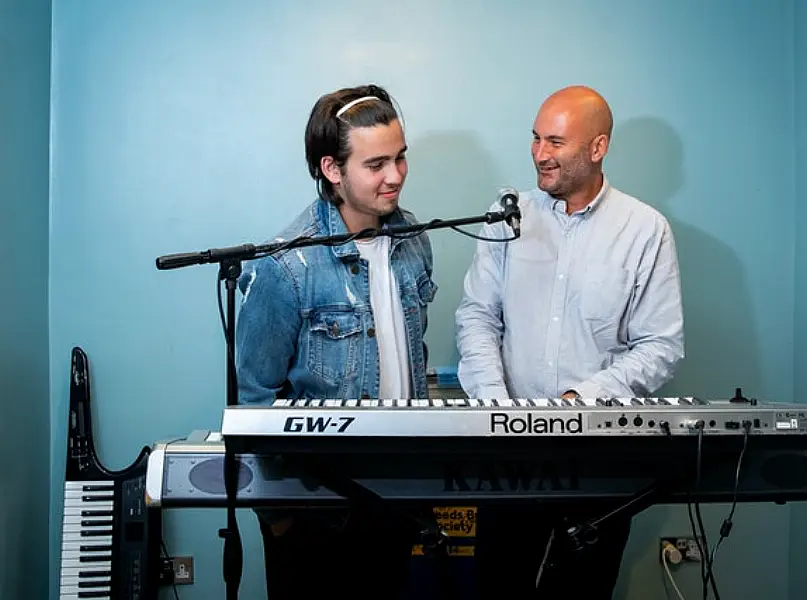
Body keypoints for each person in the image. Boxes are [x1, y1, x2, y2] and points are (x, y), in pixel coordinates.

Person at [455, 85, 685, 598]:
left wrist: (575, 405)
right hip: (505, 460)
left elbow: (660, 345)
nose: (540, 154)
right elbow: (477, 317)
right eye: (536, 139)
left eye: (555, 142)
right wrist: (498, 411)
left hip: (600, 462)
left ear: (598, 148)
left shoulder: (645, 230)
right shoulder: (507, 215)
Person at [234, 83, 438, 598]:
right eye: (376, 165)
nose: (395, 177)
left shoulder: (413, 240)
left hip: (396, 497)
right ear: (333, 170)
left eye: (400, 158)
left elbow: (412, 358)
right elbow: (256, 398)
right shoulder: (285, 266)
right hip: (316, 512)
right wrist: (281, 518)